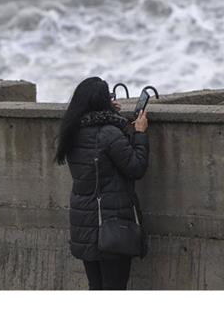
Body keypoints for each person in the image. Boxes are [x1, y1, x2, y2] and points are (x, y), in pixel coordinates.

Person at [55, 76, 150, 290]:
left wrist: (110, 115)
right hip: (110, 224)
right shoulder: (108, 133)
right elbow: (136, 167)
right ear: (103, 102)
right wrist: (140, 134)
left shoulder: (72, 132)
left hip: (84, 225)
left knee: (96, 287)